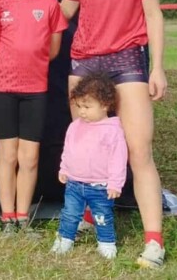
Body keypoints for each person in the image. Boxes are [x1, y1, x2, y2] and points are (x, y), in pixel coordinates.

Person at [60, 0, 168, 269]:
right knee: (86, 150)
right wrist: (20, 2)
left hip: (127, 58)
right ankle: (91, 218)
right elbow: (63, 13)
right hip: (85, 61)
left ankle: (154, 240)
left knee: (139, 150)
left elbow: (153, 16)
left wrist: (157, 68)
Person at [0, 0, 67, 234]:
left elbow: (54, 50)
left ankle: (23, 215)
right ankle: (7, 217)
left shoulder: (48, 5)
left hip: (35, 89)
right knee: (7, 155)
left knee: (29, 157)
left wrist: (29, 59)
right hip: (2, 88)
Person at [52, 73, 127, 260]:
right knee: (69, 214)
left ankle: (107, 243)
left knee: (102, 216)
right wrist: (64, 169)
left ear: (105, 105)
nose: (82, 112)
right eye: (79, 106)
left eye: (87, 106)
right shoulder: (75, 126)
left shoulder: (112, 130)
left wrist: (115, 184)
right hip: (74, 184)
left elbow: (118, 159)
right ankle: (64, 240)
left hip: (100, 186)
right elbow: (68, 149)